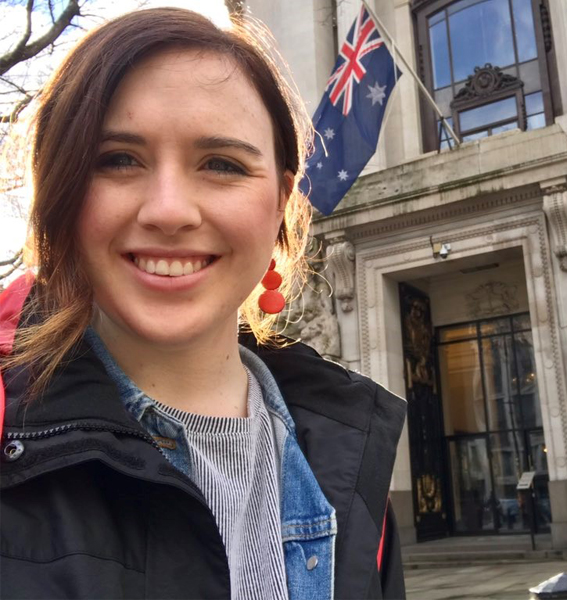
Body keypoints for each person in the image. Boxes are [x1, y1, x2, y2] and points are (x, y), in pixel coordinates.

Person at [0, 8, 406, 599]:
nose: (169, 210)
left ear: (280, 202)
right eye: (117, 159)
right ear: (57, 187)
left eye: (222, 164)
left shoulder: (351, 464)